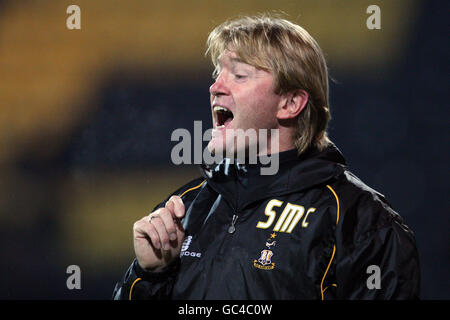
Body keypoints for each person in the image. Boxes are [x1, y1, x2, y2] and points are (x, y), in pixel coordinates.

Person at [112, 15, 420, 300]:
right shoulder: (185, 209)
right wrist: (149, 275)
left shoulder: (361, 223)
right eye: (217, 73)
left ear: (290, 103)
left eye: (240, 75)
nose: (215, 87)